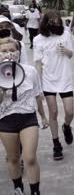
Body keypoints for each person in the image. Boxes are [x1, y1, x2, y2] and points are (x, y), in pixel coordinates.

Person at [0, 37, 48, 195]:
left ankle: (35, 191)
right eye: (4, 51)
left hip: (28, 117)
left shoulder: (30, 71)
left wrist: (43, 116)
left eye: (12, 50)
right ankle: (18, 188)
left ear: (19, 52)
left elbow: (37, 96)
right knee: (13, 159)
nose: (9, 54)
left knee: (30, 158)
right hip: (6, 119)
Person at [33, 11, 74, 160]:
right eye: (52, 21)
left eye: (57, 21)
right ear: (45, 22)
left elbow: (71, 55)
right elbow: (37, 63)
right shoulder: (38, 39)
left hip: (65, 78)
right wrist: (38, 86)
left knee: (70, 112)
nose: (55, 23)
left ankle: (67, 126)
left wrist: (66, 50)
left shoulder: (65, 35)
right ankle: (56, 143)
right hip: (48, 80)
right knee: (54, 112)